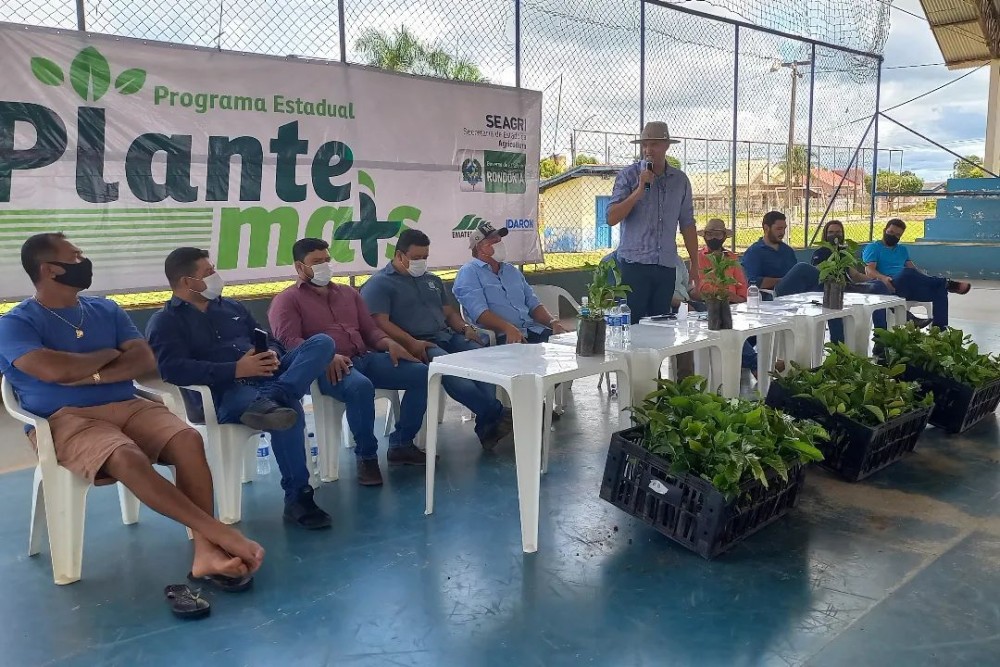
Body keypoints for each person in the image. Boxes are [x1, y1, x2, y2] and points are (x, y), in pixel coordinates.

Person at [0, 234, 264, 595]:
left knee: (188, 439)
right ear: (49, 269)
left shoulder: (105, 309)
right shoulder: (16, 322)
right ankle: (217, 532)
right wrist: (109, 353)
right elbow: (52, 370)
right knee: (127, 456)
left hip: (129, 405)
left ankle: (204, 551)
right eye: (76, 256)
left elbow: (144, 358)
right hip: (64, 418)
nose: (84, 260)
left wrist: (92, 373)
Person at [146, 247, 335, 530]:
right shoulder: (165, 322)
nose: (215, 276)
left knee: (322, 343)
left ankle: (276, 394)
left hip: (269, 377)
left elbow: (268, 339)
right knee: (287, 411)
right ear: (187, 282)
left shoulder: (232, 307)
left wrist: (270, 353)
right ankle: (299, 497)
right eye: (208, 272)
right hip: (226, 391)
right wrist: (236, 369)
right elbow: (173, 369)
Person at [268, 238, 428, 488]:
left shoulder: (348, 293)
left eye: (326, 260)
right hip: (328, 369)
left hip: (365, 358)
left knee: (422, 374)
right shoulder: (286, 300)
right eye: (316, 262)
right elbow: (289, 342)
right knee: (360, 387)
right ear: (300, 267)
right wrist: (326, 357)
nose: (324, 266)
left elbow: (370, 330)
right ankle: (367, 456)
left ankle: (401, 444)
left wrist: (388, 343)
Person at [360, 229, 513, 450]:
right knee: (451, 371)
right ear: (399, 255)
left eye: (425, 257)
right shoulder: (379, 284)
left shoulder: (431, 280)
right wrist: (411, 342)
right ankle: (496, 415)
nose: (421, 262)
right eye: (416, 258)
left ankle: (487, 424)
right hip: (418, 344)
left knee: (482, 357)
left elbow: (449, 313)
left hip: (447, 335)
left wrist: (465, 328)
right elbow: (379, 323)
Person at [606, 121, 701, 320]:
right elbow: (611, 217)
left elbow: (687, 223)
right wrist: (639, 190)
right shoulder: (628, 176)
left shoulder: (680, 180)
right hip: (634, 265)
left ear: (666, 146)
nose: (648, 150)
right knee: (632, 326)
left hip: (666, 266)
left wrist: (695, 263)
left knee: (662, 326)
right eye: (645, 145)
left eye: (654, 144)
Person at [453, 220, 569, 343]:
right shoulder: (469, 272)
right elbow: (480, 313)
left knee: (569, 348)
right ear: (480, 248)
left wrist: (552, 322)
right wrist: (508, 328)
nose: (500, 244)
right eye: (494, 242)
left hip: (533, 330)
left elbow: (533, 303)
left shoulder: (511, 270)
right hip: (503, 337)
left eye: (500, 240)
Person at [810, 219, 920, 332]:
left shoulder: (843, 253)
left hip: (849, 286)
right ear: (825, 234)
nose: (835, 235)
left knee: (878, 286)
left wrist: (878, 280)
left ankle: (881, 334)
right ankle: (902, 319)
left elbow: (856, 275)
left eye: (838, 232)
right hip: (831, 290)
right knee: (877, 288)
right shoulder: (821, 253)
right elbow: (819, 276)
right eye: (831, 232)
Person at [863, 218, 971, 329]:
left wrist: (926, 279)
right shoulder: (873, 248)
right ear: (884, 230)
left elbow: (913, 269)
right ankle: (947, 283)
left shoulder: (902, 249)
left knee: (940, 290)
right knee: (906, 273)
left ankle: (939, 331)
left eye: (897, 235)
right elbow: (869, 271)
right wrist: (883, 278)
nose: (893, 236)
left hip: (908, 288)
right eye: (891, 232)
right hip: (891, 286)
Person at [690, 218, 760, 377]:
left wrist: (737, 297)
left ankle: (744, 359)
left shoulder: (731, 258)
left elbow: (742, 285)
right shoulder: (699, 257)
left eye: (717, 234)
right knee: (725, 322)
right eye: (709, 234)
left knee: (757, 320)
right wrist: (723, 294)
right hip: (710, 304)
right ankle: (756, 364)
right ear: (704, 236)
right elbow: (701, 286)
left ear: (724, 236)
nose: (713, 238)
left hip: (736, 304)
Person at [740, 210, 821, 297]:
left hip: (795, 293)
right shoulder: (754, 252)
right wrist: (786, 280)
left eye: (784, 228)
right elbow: (753, 282)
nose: (782, 232)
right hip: (772, 294)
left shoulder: (787, 250)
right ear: (766, 228)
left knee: (819, 277)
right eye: (778, 229)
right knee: (802, 268)